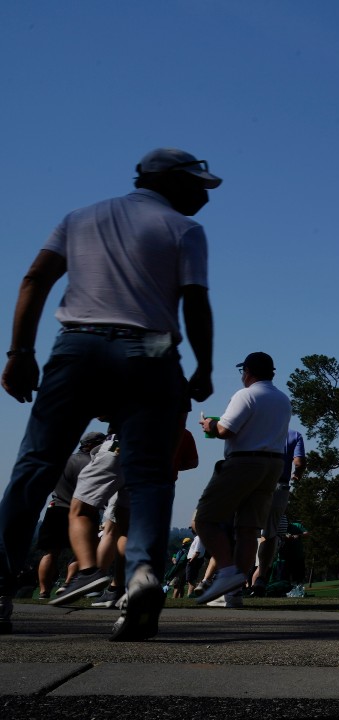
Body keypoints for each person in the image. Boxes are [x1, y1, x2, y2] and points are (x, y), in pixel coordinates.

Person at [0, 147, 217, 639]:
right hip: (151, 348)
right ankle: (141, 577)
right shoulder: (184, 231)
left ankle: (0, 584)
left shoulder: (80, 218)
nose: (204, 197)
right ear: (169, 182)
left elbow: (35, 278)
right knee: (149, 476)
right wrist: (202, 365)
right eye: (197, 186)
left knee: (36, 467)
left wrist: (19, 352)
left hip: (78, 344)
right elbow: (195, 302)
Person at [192, 351, 291, 606]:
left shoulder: (246, 395)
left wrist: (209, 426)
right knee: (248, 529)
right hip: (273, 465)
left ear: (247, 371)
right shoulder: (283, 399)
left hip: (244, 461)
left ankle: (227, 573)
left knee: (204, 519)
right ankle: (234, 592)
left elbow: (226, 430)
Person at [33, 431, 105, 598]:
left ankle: (44, 591)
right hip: (83, 510)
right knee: (83, 552)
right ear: (90, 445)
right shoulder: (92, 463)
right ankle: (67, 584)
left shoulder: (63, 461)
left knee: (50, 552)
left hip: (56, 506)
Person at [250, 428, 305, 596]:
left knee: (247, 531)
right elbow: (299, 462)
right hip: (280, 486)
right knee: (270, 533)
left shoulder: (255, 430)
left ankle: (236, 580)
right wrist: (298, 474)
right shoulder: (294, 435)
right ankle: (261, 576)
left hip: (254, 483)